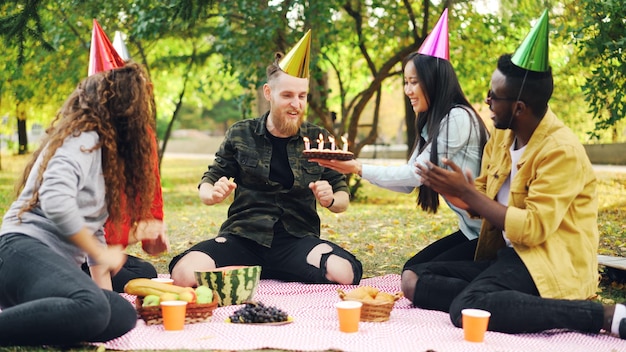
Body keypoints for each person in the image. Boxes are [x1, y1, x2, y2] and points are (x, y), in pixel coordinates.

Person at [404, 10, 625, 340]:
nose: (487, 101)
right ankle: (510, 302)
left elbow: (533, 229)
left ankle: (602, 315)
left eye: (494, 96)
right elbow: (482, 194)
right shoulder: (503, 135)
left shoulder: (560, 150)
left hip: (546, 262)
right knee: (413, 279)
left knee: (467, 308)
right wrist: (458, 190)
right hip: (507, 256)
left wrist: (468, 194)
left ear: (519, 107)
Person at [168, 30, 363, 287]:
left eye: (302, 96)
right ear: (268, 92)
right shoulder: (241, 133)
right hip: (243, 239)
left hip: (297, 242)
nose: (296, 104)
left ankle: (268, 272)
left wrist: (330, 200)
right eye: (287, 95)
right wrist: (211, 195)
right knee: (184, 273)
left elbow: (342, 197)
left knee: (345, 272)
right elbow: (211, 178)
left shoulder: (319, 137)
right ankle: (251, 270)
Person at [312, 9, 489, 265]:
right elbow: (409, 183)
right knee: (413, 269)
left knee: (418, 277)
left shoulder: (459, 119)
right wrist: (354, 168)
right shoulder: (431, 123)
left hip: (488, 237)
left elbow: (414, 175)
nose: (408, 90)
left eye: (414, 82)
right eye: (406, 82)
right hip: (470, 233)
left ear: (434, 81)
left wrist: (357, 168)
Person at [0, 62, 158, 346]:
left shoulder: (106, 157)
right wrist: (99, 252)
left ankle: (39, 323)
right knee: (93, 307)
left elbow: (93, 230)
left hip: (49, 271)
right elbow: (56, 202)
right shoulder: (84, 138)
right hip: (18, 251)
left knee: (120, 312)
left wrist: (102, 284)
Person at [80, 20, 169, 293]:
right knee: (117, 276)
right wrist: (132, 234)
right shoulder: (84, 143)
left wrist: (154, 237)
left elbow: (151, 221)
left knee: (145, 272)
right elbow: (86, 230)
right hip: (74, 249)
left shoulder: (144, 142)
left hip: (101, 253)